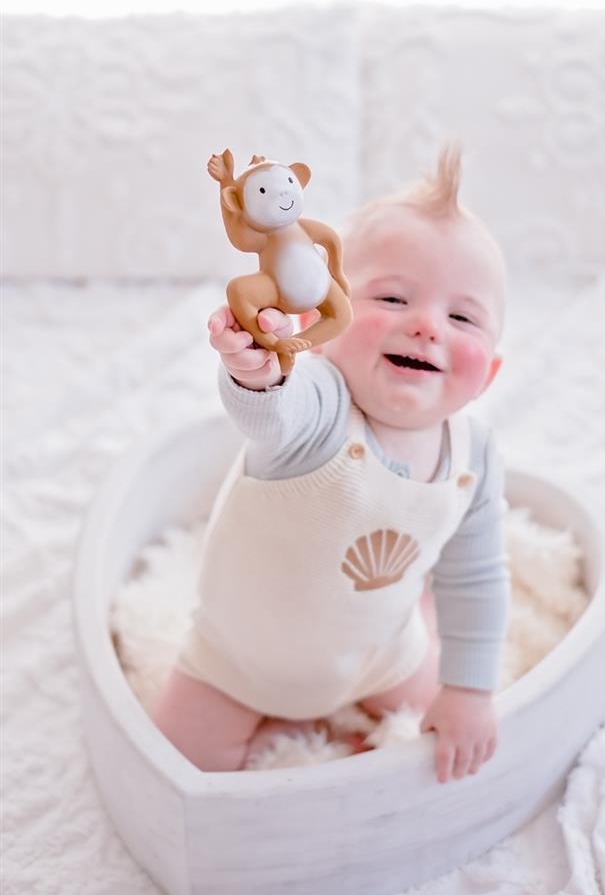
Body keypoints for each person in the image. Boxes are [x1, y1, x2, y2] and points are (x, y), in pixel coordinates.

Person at [153, 147, 510, 783]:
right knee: (179, 766)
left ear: (492, 373)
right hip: (237, 662)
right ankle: (283, 718)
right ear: (325, 315)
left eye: (461, 316)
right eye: (394, 299)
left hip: (383, 656)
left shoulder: (473, 456)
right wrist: (258, 374)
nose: (428, 327)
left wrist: (470, 691)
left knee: (436, 736)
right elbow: (273, 413)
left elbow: (477, 576)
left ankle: (411, 621)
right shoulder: (321, 402)